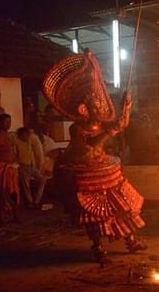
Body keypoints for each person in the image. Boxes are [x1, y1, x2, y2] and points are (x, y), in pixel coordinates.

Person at [43, 50, 146, 266]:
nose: (99, 108)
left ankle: (131, 240)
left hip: (106, 168)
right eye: (95, 106)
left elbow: (121, 124)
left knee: (122, 204)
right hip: (87, 173)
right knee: (95, 215)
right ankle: (98, 248)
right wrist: (110, 132)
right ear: (85, 109)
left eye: (100, 105)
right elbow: (90, 144)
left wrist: (126, 108)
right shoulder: (77, 128)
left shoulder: (102, 124)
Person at [0, 113, 20, 223]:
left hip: (13, 167)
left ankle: (15, 215)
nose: (8, 124)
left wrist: (17, 162)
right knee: (2, 191)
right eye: (6, 122)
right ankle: (1, 217)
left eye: (9, 122)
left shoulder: (11, 136)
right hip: (1, 166)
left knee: (14, 191)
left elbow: (15, 150)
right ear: (0, 123)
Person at [15, 126, 46, 210]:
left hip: (32, 165)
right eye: (25, 135)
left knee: (42, 180)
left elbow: (31, 153)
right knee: (26, 185)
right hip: (24, 165)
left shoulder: (28, 141)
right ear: (21, 135)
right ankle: (30, 202)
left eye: (27, 135)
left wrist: (35, 164)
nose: (26, 136)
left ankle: (36, 201)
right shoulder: (16, 142)